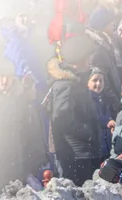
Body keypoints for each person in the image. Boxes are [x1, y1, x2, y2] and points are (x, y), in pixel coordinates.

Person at [47, 34, 102, 185]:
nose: (91, 60)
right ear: (80, 60)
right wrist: (86, 132)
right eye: (88, 57)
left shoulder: (75, 81)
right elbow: (62, 117)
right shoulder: (66, 84)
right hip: (76, 153)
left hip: (83, 151)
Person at [88, 68, 116, 161]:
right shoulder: (86, 100)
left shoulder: (105, 98)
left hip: (106, 146)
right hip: (95, 148)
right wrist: (108, 121)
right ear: (87, 82)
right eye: (94, 80)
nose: (98, 83)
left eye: (101, 80)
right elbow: (92, 117)